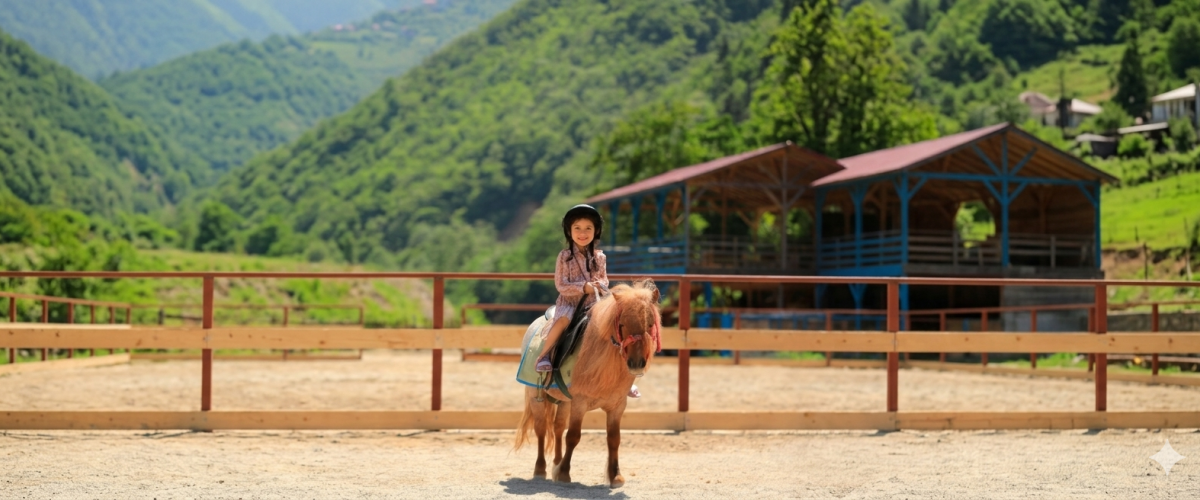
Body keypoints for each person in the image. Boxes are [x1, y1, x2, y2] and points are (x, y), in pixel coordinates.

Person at [534, 204, 640, 398]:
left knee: (616, 326)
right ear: (569, 231)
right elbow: (561, 284)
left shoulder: (600, 257)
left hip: (595, 302)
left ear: (595, 231)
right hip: (571, 303)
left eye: (588, 229)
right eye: (577, 229)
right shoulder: (564, 257)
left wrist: (599, 285)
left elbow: (605, 279)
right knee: (564, 319)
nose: (583, 233)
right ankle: (545, 356)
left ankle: (624, 376)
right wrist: (584, 287)